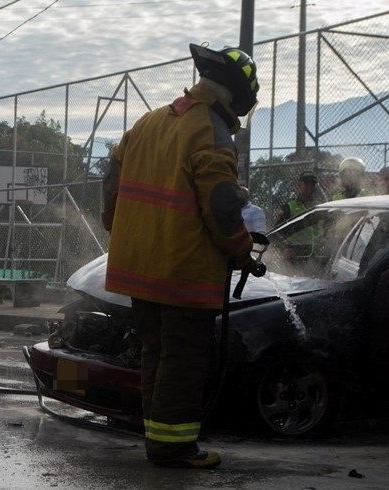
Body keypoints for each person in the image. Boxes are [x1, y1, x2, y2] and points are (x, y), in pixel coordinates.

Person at [101, 43, 264, 469]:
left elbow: (111, 179)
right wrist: (244, 251)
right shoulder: (210, 130)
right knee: (185, 359)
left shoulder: (150, 121)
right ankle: (172, 447)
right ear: (236, 95)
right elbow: (222, 208)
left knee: (156, 352)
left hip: (138, 266)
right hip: (182, 271)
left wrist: (117, 225)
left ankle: (157, 437)